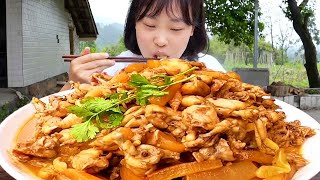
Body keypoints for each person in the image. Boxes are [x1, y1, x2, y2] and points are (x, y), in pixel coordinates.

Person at [60, 0, 226, 91]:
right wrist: (74, 83)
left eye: (176, 28)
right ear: (135, 24)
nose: (161, 40)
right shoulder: (117, 69)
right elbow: (49, 116)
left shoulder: (209, 69)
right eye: (149, 25)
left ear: (192, 30)